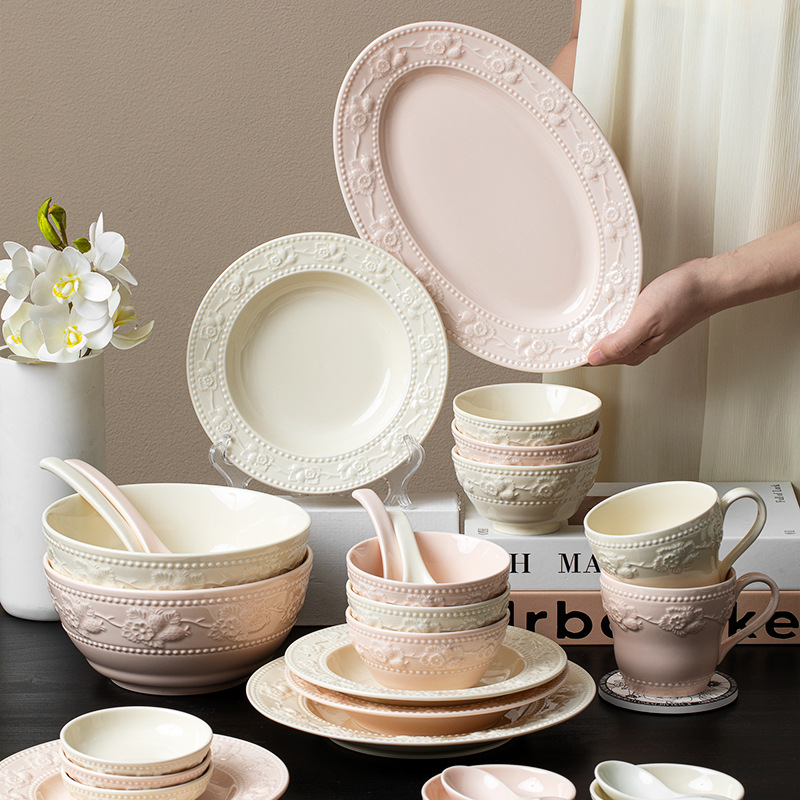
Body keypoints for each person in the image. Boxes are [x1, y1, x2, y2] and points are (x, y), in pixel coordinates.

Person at [546, 0, 800, 488]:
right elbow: (588, 41)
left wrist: (708, 284)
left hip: (777, 334)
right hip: (614, 303)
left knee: (762, 524)